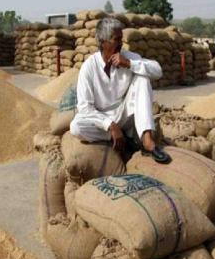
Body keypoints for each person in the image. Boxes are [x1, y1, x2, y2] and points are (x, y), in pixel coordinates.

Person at [70, 18, 170, 163]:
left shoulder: (127, 57)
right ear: (103, 42)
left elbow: (158, 70)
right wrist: (110, 125)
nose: (121, 44)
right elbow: (85, 108)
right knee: (76, 127)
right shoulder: (89, 67)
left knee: (142, 77)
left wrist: (130, 64)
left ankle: (147, 141)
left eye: (121, 39)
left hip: (124, 113)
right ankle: (121, 137)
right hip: (102, 118)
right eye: (116, 39)